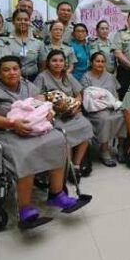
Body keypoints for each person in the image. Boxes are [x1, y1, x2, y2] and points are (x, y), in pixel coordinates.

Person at [0, 56, 84, 227]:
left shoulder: (27, 85)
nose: (12, 72)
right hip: (8, 133)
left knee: (58, 140)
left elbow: (43, 102)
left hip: (35, 129)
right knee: (26, 152)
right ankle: (24, 207)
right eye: (6, 70)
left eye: (15, 69)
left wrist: (48, 113)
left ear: (20, 71)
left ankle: (56, 193)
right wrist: (12, 123)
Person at [33, 49, 93, 178]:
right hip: (53, 115)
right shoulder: (42, 77)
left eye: (61, 61)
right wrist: (52, 107)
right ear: (48, 62)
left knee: (86, 126)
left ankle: (76, 165)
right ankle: (68, 166)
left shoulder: (68, 76)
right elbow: (36, 100)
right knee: (64, 133)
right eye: (54, 60)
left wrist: (76, 105)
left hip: (72, 112)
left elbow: (79, 94)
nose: (58, 63)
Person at [81, 52, 126, 167]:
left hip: (111, 106)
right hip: (96, 109)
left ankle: (121, 147)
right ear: (91, 63)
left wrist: (117, 104)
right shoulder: (86, 77)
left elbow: (116, 93)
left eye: (102, 61)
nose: (100, 64)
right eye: (97, 61)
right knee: (105, 118)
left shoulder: (110, 76)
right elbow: (87, 96)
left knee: (124, 115)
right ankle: (104, 150)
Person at [7, 8, 44, 82]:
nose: (22, 22)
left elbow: (42, 65)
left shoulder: (38, 42)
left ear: (29, 22)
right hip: (11, 79)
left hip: (33, 79)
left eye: (26, 20)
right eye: (19, 19)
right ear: (13, 21)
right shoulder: (4, 40)